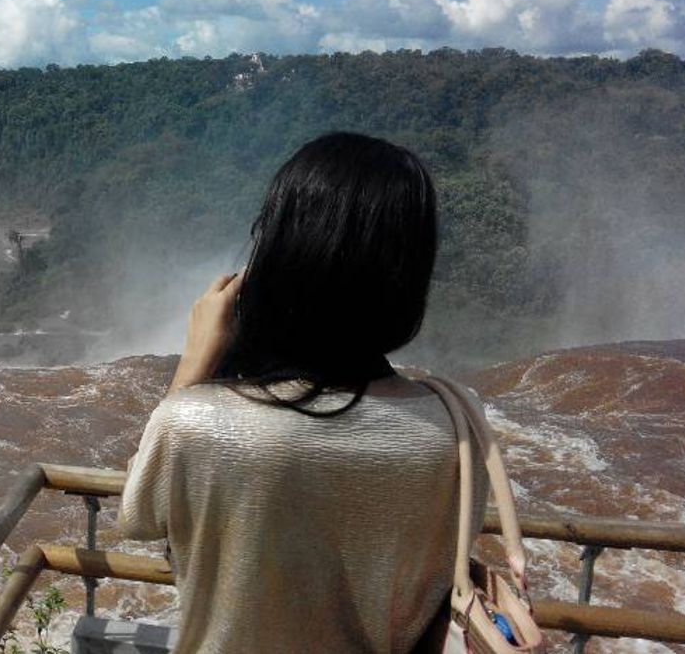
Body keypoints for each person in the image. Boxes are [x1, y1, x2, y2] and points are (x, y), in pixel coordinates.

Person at [119, 132, 488, 653]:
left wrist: (192, 366)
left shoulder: (198, 422)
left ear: (277, 260)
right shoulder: (459, 424)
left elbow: (137, 515)